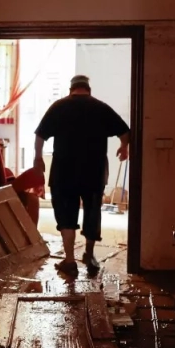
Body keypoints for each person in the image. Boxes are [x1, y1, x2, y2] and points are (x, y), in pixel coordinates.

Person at [33, 74, 130, 275]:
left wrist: (38, 158)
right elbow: (125, 132)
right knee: (92, 212)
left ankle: (70, 261)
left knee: (66, 215)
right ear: (88, 90)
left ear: (71, 89)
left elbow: (40, 135)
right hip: (93, 171)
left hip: (64, 171)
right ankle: (89, 254)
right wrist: (124, 147)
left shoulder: (58, 107)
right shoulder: (100, 107)